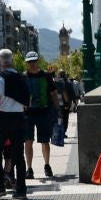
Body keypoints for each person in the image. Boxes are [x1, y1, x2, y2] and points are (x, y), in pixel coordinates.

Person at [0, 48, 29, 200]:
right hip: (19, 117)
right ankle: (21, 190)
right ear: (11, 60)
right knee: (19, 154)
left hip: (4, 118)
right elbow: (27, 102)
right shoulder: (22, 78)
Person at [21, 51, 57, 179]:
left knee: (45, 141)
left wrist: (57, 112)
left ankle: (47, 165)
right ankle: (29, 169)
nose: (32, 64)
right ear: (26, 63)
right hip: (27, 114)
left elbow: (53, 94)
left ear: (38, 61)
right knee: (28, 142)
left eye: (34, 61)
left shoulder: (46, 76)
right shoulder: (23, 77)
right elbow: (18, 95)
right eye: (29, 62)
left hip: (43, 113)